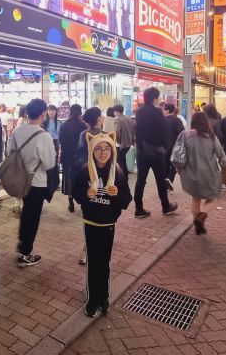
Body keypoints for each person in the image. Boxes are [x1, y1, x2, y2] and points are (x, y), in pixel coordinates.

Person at [72, 132, 132, 317]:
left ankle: (103, 296)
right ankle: (92, 298)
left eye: (107, 149)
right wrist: (85, 195)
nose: (103, 152)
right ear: (92, 150)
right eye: (98, 148)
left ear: (112, 151)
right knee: (93, 260)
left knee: (104, 261)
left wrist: (116, 195)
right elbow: (76, 193)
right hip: (91, 221)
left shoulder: (118, 172)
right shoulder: (85, 170)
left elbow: (126, 200)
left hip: (108, 223)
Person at [7, 99, 56, 267]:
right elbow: (49, 163)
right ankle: (26, 253)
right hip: (37, 182)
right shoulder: (44, 136)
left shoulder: (17, 130)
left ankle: (22, 244)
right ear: (43, 114)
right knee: (32, 217)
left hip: (20, 179)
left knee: (26, 214)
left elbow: (8, 153)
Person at [173, 112, 226, 235]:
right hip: (209, 173)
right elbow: (221, 155)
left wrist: (178, 167)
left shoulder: (185, 135)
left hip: (190, 173)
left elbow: (178, 153)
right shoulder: (211, 136)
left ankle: (198, 223)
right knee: (213, 197)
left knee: (196, 198)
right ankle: (201, 217)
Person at [134, 87, 178, 217]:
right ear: (154, 98)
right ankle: (165, 206)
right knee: (160, 180)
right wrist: (165, 146)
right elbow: (164, 131)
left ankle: (138, 208)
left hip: (142, 151)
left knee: (140, 180)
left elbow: (138, 131)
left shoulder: (139, 111)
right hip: (156, 152)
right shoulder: (157, 112)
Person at [59, 104, 86, 213]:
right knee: (81, 179)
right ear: (80, 112)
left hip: (67, 156)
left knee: (69, 179)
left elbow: (61, 141)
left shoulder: (64, 125)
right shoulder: (84, 126)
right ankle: (83, 202)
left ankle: (71, 203)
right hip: (80, 157)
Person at [72, 107, 105, 181]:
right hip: (102, 167)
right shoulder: (105, 135)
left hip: (87, 167)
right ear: (98, 118)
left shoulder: (84, 134)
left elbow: (81, 151)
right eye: (101, 115)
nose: (103, 117)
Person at [163, 103, 184, 191]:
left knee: (165, 165)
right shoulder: (177, 120)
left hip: (163, 147)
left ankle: (166, 182)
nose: (162, 111)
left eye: (163, 110)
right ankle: (169, 179)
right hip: (175, 147)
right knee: (174, 165)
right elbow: (181, 133)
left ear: (167, 111)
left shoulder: (161, 120)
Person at [113, 104, 136, 180]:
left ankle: (123, 176)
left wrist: (118, 140)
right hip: (128, 143)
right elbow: (134, 130)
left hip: (120, 144)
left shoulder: (117, 120)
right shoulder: (129, 119)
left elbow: (116, 132)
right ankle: (125, 176)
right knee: (123, 159)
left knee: (120, 161)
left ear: (116, 111)